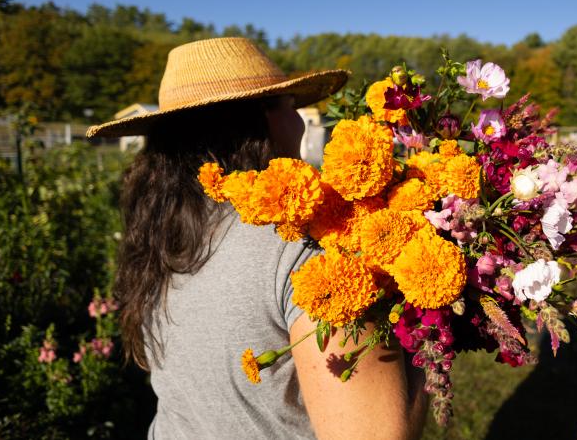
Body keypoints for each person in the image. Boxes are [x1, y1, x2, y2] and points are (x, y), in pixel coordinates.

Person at [87, 38, 427, 439]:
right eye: (290, 106)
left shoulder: (162, 239)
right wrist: (428, 331)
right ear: (260, 119)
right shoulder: (308, 252)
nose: (300, 123)